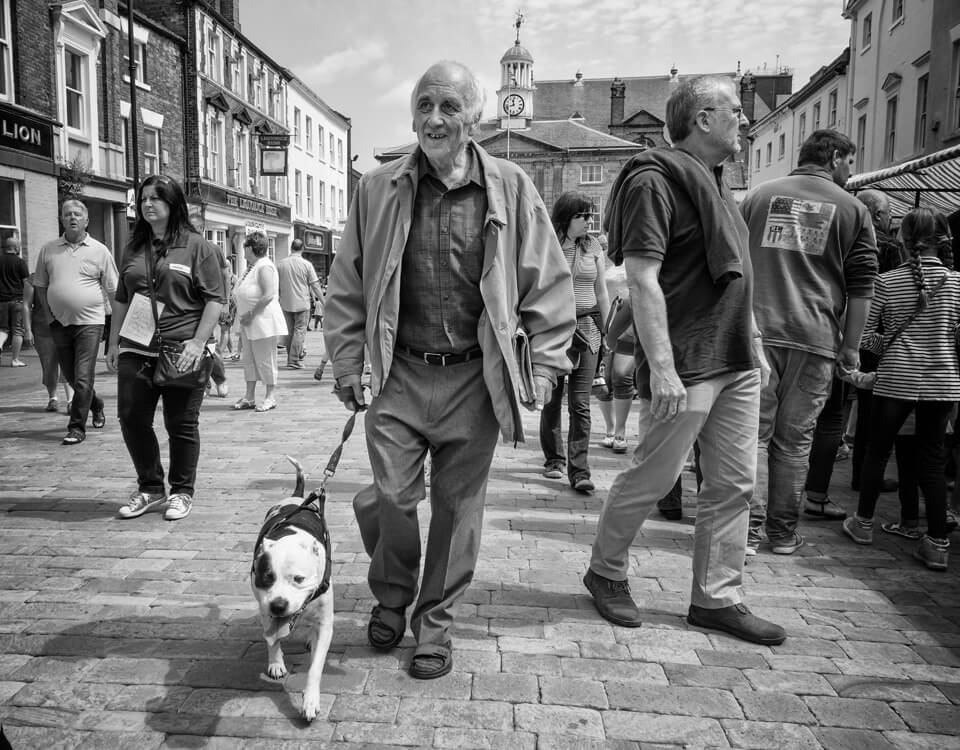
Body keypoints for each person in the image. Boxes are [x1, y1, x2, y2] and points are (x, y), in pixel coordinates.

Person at [324, 60, 575, 679]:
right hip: (398, 373)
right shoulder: (377, 188)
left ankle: (432, 622)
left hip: (473, 377)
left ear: (476, 118)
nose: (434, 119)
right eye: (424, 105)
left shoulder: (511, 187)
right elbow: (348, 283)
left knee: (458, 509)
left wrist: (543, 364)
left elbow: (547, 280)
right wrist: (348, 360)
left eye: (449, 107)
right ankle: (391, 594)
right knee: (391, 495)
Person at [584, 75, 785, 646]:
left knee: (733, 485)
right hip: (689, 360)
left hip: (736, 358)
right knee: (653, 476)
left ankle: (717, 598)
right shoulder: (656, 180)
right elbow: (643, 281)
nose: (744, 120)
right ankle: (605, 571)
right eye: (734, 112)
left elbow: (734, 275)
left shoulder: (719, 184)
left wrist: (755, 340)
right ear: (701, 118)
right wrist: (663, 368)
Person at [741, 130, 878, 555]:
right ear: (834, 157)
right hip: (815, 337)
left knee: (753, 437)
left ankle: (745, 531)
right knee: (794, 442)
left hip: (756, 333)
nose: (850, 173)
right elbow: (861, 287)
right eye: (849, 163)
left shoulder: (758, 197)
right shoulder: (853, 209)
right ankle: (781, 534)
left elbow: (734, 265)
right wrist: (851, 348)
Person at [841, 208, 960, 571]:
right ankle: (937, 543)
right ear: (944, 239)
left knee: (878, 450)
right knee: (932, 457)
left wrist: (887, 344)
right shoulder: (958, 283)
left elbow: (868, 340)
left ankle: (862, 524)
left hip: (896, 378)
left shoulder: (887, 281)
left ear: (905, 239)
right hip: (942, 381)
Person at [106, 174, 225, 521]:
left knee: (180, 423)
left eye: (155, 198)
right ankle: (150, 487)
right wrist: (113, 341)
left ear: (173, 204)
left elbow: (215, 299)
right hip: (136, 347)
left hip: (181, 349)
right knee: (131, 417)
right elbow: (121, 298)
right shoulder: (133, 246)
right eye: (142, 199)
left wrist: (199, 342)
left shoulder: (197, 246)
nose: (147, 205)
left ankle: (182, 491)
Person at [539, 192, 609, 494]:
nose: (588, 221)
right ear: (567, 217)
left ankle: (580, 470)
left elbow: (602, 291)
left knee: (580, 404)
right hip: (556, 330)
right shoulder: (548, 244)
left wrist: (608, 332)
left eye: (590, 216)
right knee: (552, 401)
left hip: (588, 327)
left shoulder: (593, 246)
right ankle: (555, 460)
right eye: (582, 216)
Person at [33, 200, 119, 445]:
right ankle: (97, 404)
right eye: (67, 214)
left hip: (91, 323)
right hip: (59, 323)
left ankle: (76, 427)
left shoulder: (100, 250)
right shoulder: (48, 250)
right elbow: (40, 285)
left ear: (86, 220)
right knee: (71, 377)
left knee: (82, 377)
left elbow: (114, 291)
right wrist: (49, 316)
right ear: (61, 219)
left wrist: (115, 332)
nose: (72, 217)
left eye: (77, 214)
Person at [233, 231, 287, 412]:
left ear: (251, 248)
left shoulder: (264, 266)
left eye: (244, 247)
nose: (243, 251)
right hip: (249, 322)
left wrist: (250, 313)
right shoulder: (252, 266)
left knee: (265, 358)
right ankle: (249, 396)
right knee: (249, 359)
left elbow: (268, 294)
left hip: (261, 320)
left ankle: (270, 396)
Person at [23, 275, 73, 411]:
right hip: (42, 330)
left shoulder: (65, 275)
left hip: (65, 327)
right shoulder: (32, 280)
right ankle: (53, 398)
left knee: (67, 364)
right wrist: (27, 330)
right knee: (48, 365)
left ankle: (71, 401)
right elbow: (26, 305)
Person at [276, 238, 321, 369]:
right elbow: (315, 285)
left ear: (291, 248)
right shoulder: (307, 265)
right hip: (302, 303)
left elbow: (276, 286)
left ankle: (291, 359)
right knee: (300, 331)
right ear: (302, 249)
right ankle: (294, 360)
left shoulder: (280, 264)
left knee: (290, 332)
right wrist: (323, 301)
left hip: (285, 303)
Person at [0, 236, 29, 367]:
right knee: (18, 330)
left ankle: (0, 346)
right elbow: (26, 283)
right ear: (16, 248)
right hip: (17, 300)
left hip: (1, 301)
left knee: (2, 329)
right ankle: (15, 359)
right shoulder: (20, 262)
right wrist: (28, 301)